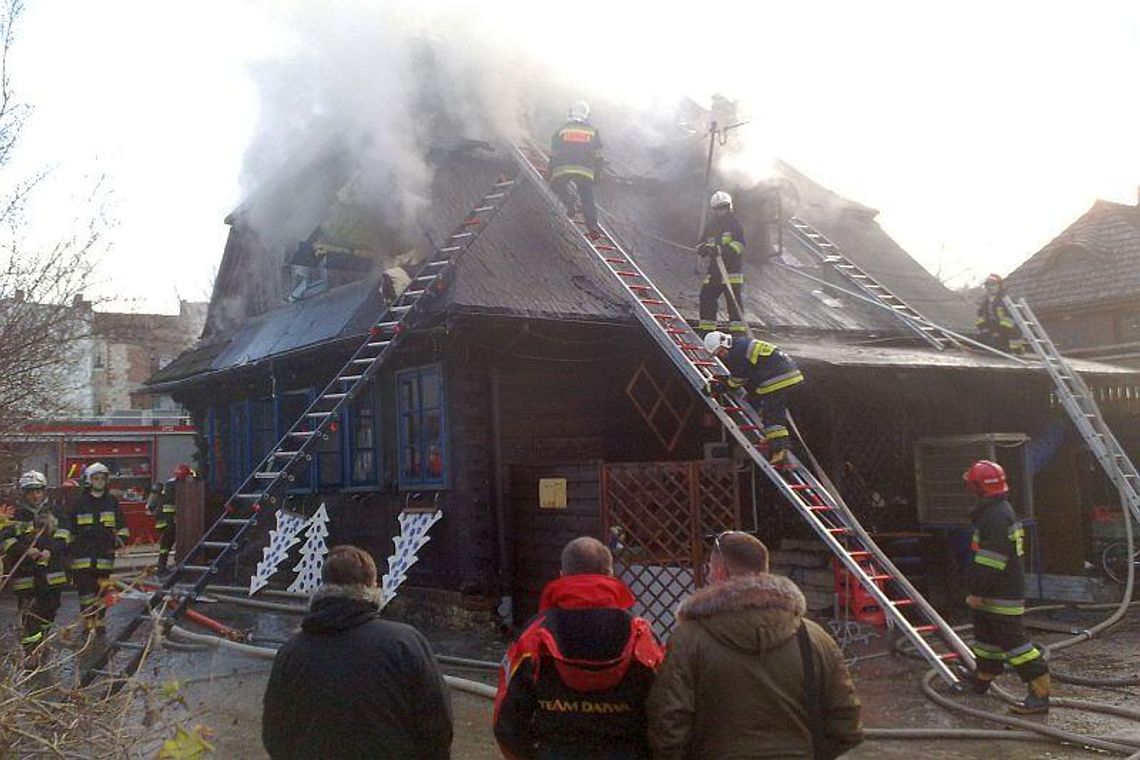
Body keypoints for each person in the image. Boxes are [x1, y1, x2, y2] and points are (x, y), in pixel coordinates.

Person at [648, 531, 863, 759]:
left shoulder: (689, 639)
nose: (709, 578)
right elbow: (846, 722)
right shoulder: (814, 638)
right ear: (765, 570)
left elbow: (668, 719)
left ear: (721, 572)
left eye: (710, 570)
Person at [262, 544, 453, 759]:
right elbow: (437, 724)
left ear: (324, 585)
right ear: (372, 586)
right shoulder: (405, 642)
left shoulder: (292, 651)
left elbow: (274, 732)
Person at [494, 536, 664, 759]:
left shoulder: (533, 636)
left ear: (562, 575)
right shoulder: (640, 635)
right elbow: (666, 708)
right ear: (610, 575)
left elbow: (506, 721)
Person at [963, 460, 1050, 713]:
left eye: (972, 485)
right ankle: (983, 678)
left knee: (1015, 643)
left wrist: (977, 591)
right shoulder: (995, 511)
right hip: (996, 589)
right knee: (986, 639)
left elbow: (991, 560)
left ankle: (1040, 693)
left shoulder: (995, 516)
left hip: (1000, 592)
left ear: (980, 487)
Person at [0, 471, 70, 665]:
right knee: (29, 614)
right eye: (30, 491)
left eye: (38, 490)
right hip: (26, 574)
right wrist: (25, 550)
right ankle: (30, 651)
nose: (35, 495)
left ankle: (42, 642)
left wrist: (50, 550)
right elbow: (5, 540)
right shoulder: (16, 515)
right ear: (24, 493)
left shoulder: (55, 512)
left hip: (51, 573)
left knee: (50, 610)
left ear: (44, 490)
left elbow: (65, 536)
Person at [703, 330, 804, 464]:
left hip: (776, 378)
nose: (721, 356)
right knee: (760, 405)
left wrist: (715, 388)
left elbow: (736, 382)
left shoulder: (737, 353)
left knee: (772, 415)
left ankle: (779, 449)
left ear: (724, 344)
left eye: (720, 352)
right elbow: (746, 373)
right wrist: (725, 380)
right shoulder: (741, 344)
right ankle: (772, 438)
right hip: (784, 374)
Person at [68, 462, 128, 634]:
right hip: (82, 556)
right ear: (89, 480)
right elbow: (69, 529)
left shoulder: (112, 502)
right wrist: (69, 551)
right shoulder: (78, 503)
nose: (100, 481)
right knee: (85, 592)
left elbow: (122, 526)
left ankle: (100, 620)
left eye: (102, 478)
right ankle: (88, 620)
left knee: (102, 590)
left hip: (104, 555)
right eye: (96, 478)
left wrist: (120, 540)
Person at [548, 100, 604, 234]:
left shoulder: (562, 129)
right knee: (587, 197)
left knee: (556, 185)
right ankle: (592, 226)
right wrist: (597, 174)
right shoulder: (592, 131)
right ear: (587, 115)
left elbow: (554, 153)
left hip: (563, 168)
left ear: (571, 112)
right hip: (585, 171)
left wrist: (550, 172)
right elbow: (599, 155)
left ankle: (570, 203)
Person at [697, 190, 747, 336]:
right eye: (718, 208)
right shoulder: (710, 226)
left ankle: (737, 335)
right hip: (715, 271)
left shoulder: (734, 224)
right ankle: (707, 333)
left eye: (723, 207)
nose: (721, 211)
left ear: (729, 207)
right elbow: (699, 245)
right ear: (713, 210)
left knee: (733, 303)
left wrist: (721, 250)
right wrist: (704, 249)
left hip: (731, 271)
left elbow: (740, 244)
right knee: (706, 297)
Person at [146, 464, 194, 576]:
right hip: (167, 520)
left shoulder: (170, 483)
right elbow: (169, 506)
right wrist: (171, 522)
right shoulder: (175, 485)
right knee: (170, 542)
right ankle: (164, 568)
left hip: (163, 519)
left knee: (166, 544)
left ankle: (162, 566)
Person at [975, 274, 1025, 353]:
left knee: (1005, 344)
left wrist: (1000, 331)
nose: (989, 287)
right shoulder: (985, 302)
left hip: (1009, 332)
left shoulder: (1006, 300)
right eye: (987, 285)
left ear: (1000, 285)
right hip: (994, 329)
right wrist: (983, 329)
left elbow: (1009, 319)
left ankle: (1016, 351)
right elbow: (981, 317)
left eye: (993, 285)